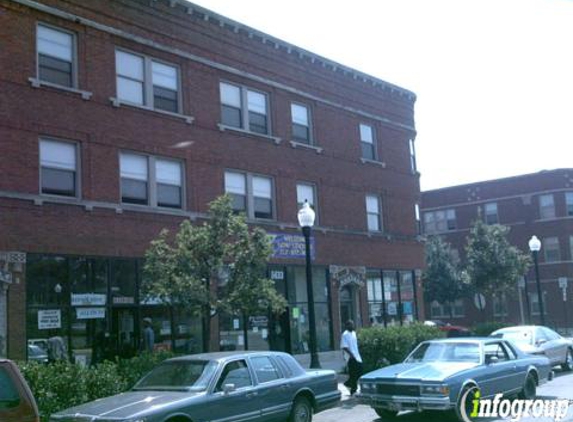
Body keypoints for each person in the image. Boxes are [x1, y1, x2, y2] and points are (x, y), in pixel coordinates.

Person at [340, 320, 362, 396]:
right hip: (350, 357)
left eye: (353, 324)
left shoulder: (354, 333)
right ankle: (353, 390)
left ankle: (348, 383)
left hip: (357, 356)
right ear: (347, 326)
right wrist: (351, 355)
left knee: (360, 371)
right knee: (353, 374)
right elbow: (344, 347)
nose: (353, 326)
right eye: (351, 325)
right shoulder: (345, 334)